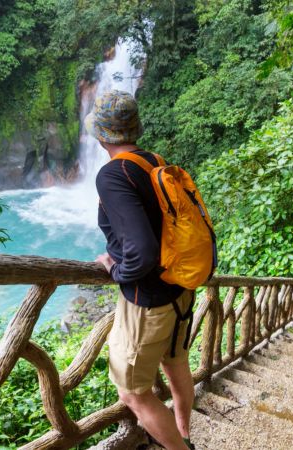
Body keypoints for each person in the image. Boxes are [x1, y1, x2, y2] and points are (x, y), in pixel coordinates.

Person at [88, 90, 196, 450]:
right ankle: (184, 433)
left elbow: (143, 250)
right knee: (176, 362)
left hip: (149, 301)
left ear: (102, 134)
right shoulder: (153, 161)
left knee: (133, 392)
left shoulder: (113, 175)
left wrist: (117, 270)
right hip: (180, 289)